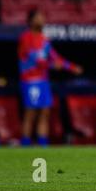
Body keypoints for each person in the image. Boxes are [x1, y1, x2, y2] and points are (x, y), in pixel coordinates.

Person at [19, 9, 83, 146]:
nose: (42, 20)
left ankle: (43, 145)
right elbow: (34, 59)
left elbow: (54, 57)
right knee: (30, 113)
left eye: (43, 17)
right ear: (31, 21)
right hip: (31, 80)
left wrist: (71, 67)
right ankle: (25, 144)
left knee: (45, 112)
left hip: (43, 81)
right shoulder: (26, 38)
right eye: (38, 17)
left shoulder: (44, 39)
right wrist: (53, 66)